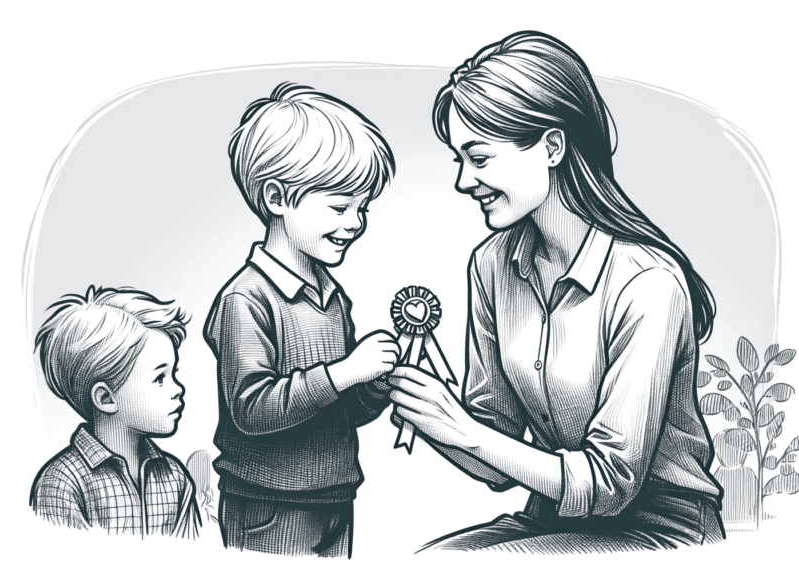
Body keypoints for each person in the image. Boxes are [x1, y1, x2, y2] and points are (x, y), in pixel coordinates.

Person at [386, 31, 726, 553]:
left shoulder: (648, 284)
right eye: (458, 160)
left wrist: (461, 429)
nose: (462, 181)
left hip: (659, 527)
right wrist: (424, 406)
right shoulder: (492, 265)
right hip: (551, 518)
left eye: (478, 158)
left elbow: (611, 484)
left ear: (551, 147)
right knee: (429, 561)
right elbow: (493, 451)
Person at [205, 82, 398, 557]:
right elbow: (252, 409)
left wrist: (376, 385)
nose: (355, 224)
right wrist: (346, 371)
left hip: (335, 497)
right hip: (266, 507)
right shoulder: (244, 300)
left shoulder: (333, 297)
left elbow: (341, 411)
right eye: (339, 206)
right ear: (276, 198)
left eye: (362, 208)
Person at [30, 286, 200, 538]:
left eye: (173, 373)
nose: (178, 389)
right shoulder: (62, 483)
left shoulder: (175, 477)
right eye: (159, 378)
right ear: (106, 398)